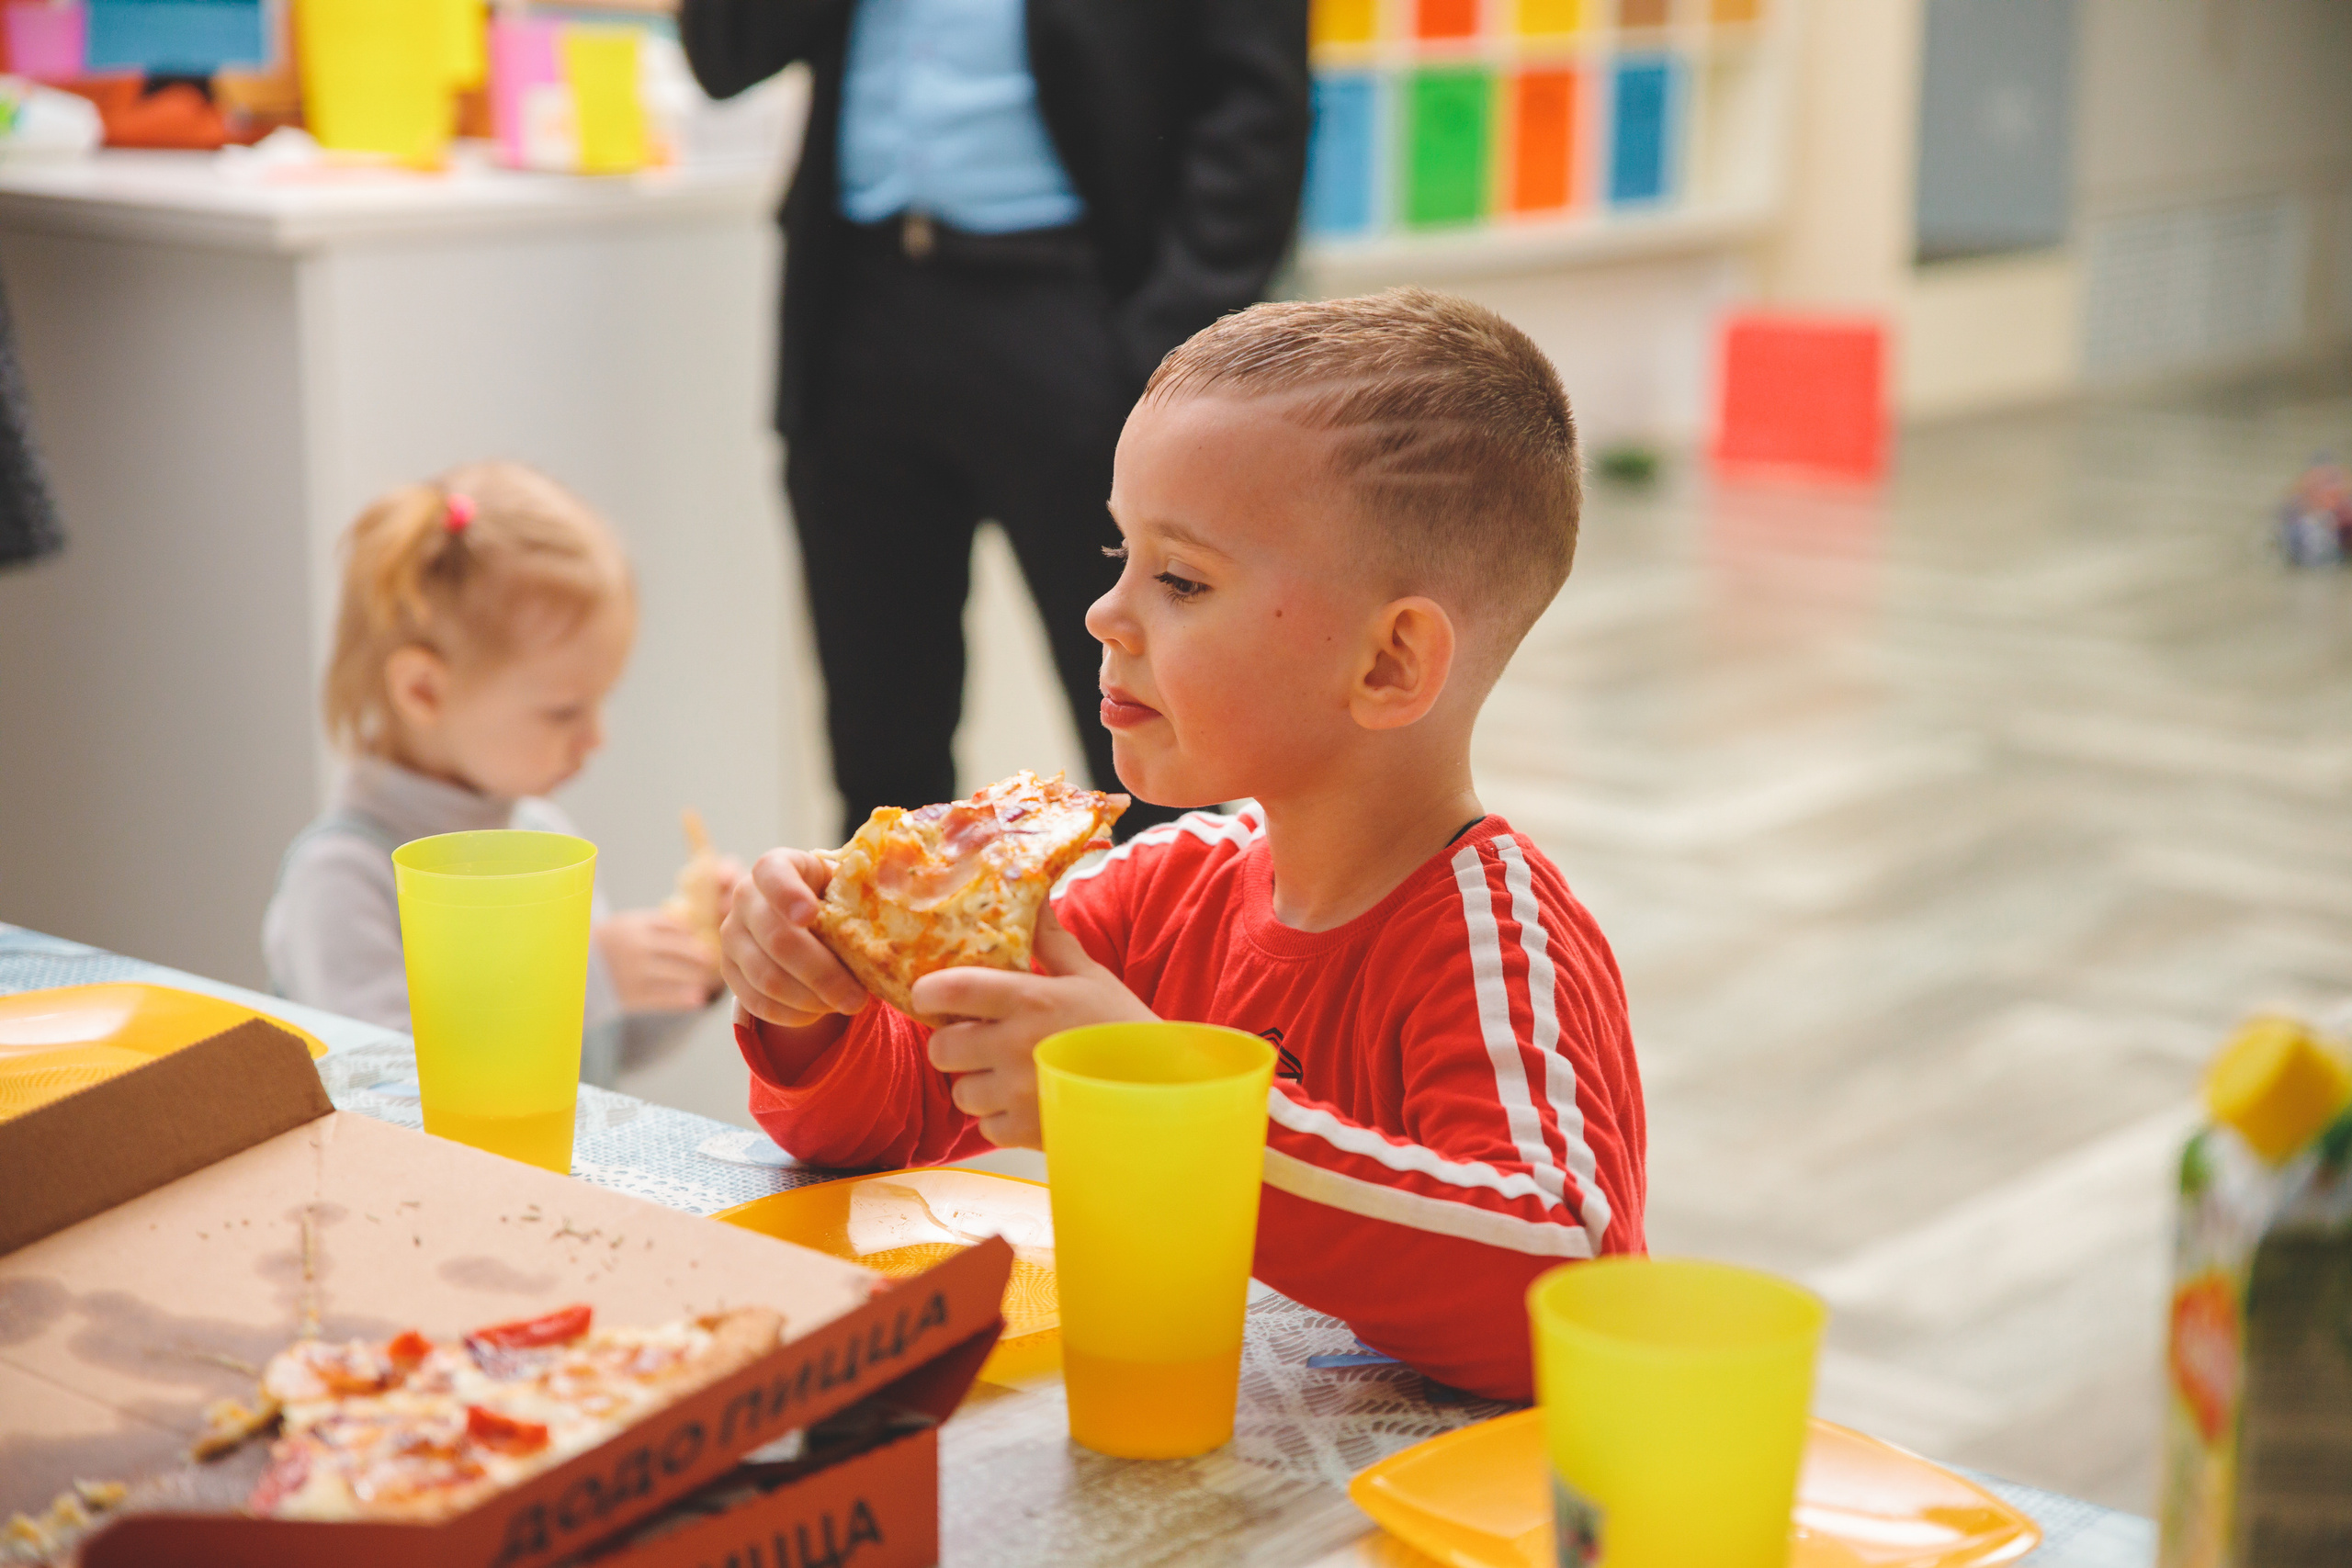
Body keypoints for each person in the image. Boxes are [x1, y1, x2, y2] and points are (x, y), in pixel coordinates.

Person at [718, 290, 1647, 1402]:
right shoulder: (1157, 892)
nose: (1103, 615)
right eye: (1120, 552)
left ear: (1391, 664)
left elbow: (1562, 1283)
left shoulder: (1497, 945)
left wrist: (1167, 1110)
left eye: (1180, 579)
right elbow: (887, 1124)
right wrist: (816, 1010)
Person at [677, 0, 1311, 840]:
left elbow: (1258, 105)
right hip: (857, 298)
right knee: (881, 771)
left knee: (1161, 757)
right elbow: (726, 52)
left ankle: (1177, 965)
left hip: (1075, 302)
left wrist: (1161, 349)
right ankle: (903, 971)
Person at [264, 460, 741, 1086]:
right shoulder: (345, 879)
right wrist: (585, 978)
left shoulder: (541, 836)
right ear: (424, 690)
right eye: (564, 710)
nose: (596, 738)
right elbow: (383, 1082)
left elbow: (599, 1052)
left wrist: (698, 965)